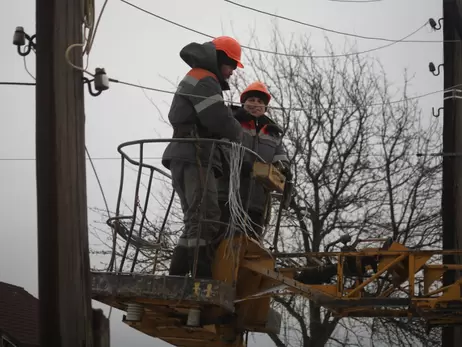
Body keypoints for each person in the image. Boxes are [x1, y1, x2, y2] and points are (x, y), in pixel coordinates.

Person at [161, 36, 244, 279]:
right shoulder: (205, 80)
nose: (231, 73)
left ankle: (177, 274)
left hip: (188, 153)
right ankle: (201, 274)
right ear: (221, 59)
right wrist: (238, 133)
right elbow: (217, 119)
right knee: (205, 216)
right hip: (194, 154)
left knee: (195, 218)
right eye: (231, 66)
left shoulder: (199, 77)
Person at [218, 81, 290, 240]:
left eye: (260, 102)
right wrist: (242, 165)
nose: (255, 104)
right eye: (251, 100)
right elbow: (223, 148)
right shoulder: (232, 122)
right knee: (221, 243)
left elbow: (281, 158)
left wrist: (284, 171)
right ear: (243, 102)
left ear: (265, 107)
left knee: (250, 249)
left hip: (257, 203)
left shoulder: (273, 133)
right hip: (227, 197)